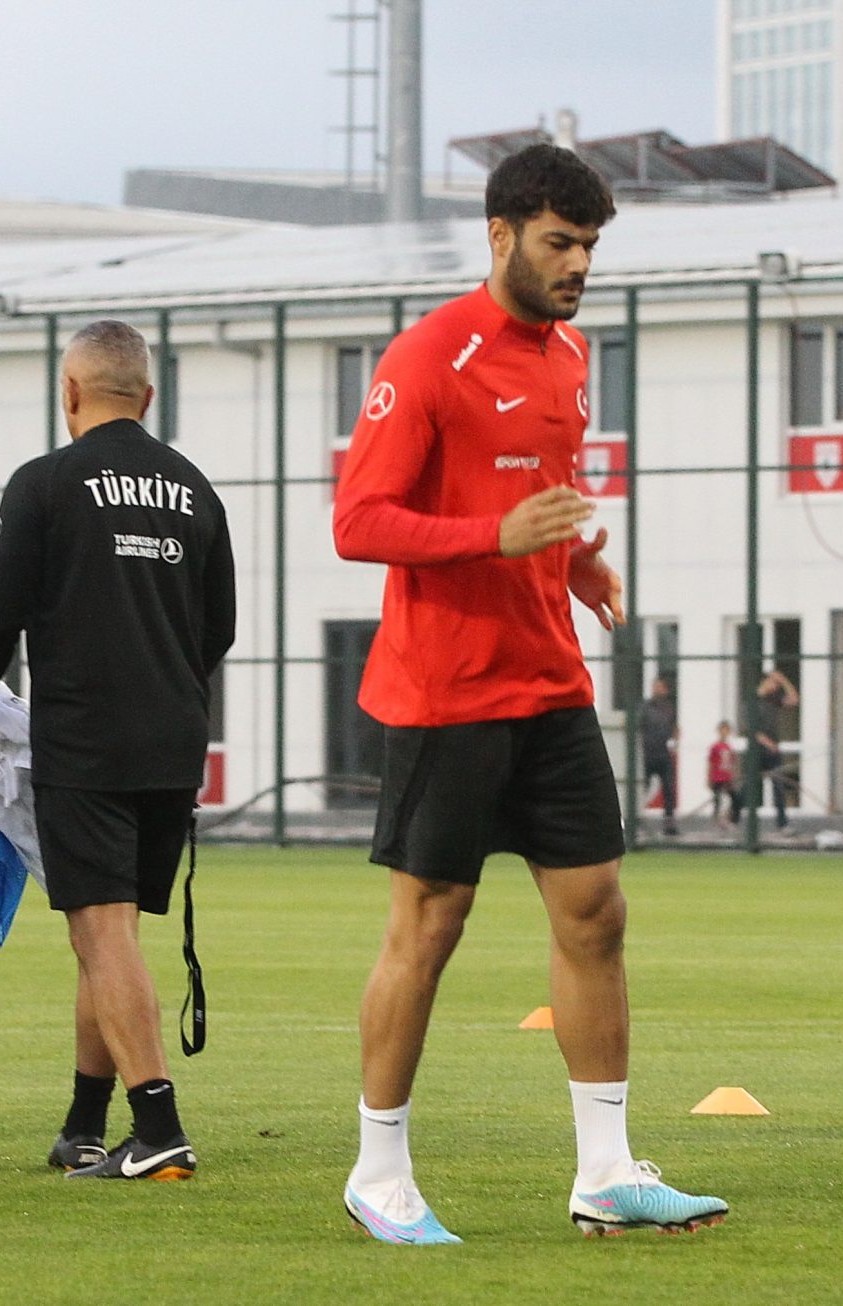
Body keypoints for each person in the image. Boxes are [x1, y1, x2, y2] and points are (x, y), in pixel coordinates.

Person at [332, 142, 726, 1243]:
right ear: (500, 235)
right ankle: (379, 1172)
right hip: (443, 691)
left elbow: (534, 502)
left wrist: (568, 562)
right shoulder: (423, 358)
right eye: (561, 243)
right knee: (431, 922)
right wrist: (491, 538)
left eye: (590, 245)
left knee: (597, 912)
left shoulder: (568, 356)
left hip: (548, 680)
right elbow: (356, 521)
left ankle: (605, 1170)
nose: (578, 264)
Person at [0, 318, 235, 1183]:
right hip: (174, 741)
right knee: (105, 929)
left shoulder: (44, 483)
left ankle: (159, 1127)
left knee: (100, 929)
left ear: (69, 393)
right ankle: (84, 1125)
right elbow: (218, 628)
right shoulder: (195, 489)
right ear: (147, 397)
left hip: (85, 737)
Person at [755, 667, 798, 830]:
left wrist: (783, 680)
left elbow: (794, 699)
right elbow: (752, 729)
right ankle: (733, 817)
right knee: (748, 787)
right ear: (765, 681)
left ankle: (782, 823)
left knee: (779, 786)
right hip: (757, 751)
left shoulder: (773, 700)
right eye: (773, 682)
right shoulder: (753, 699)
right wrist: (767, 743)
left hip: (773, 752)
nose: (775, 686)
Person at [638, 675, 680, 836]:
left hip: (664, 754)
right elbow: (639, 728)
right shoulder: (645, 707)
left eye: (660, 686)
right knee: (642, 788)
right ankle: (636, 820)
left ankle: (669, 823)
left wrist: (674, 744)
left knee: (669, 789)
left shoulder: (669, 708)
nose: (656, 689)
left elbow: (675, 728)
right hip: (648, 753)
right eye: (655, 686)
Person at [706, 721, 743, 831]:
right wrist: (709, 777)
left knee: (736, 799)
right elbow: (711, 763)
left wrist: (735, 775)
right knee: (718, 800)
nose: (724, 733)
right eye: (722, 730)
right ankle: (717, 822)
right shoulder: (715, 747)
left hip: (727, 778)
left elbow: (734, 763)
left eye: (726, 730)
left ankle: (731, 821)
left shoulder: (729, 747)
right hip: (717, 777)